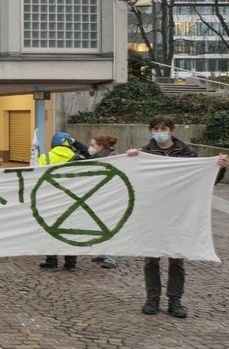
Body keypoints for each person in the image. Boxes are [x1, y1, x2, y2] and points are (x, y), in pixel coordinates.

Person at [125, 115, 229, 318]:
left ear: (172, 130)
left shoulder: (188, 154)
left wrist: (219, 167)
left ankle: (175, 301)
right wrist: (129, 159)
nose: (158, 133)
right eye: (154, 129)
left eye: (162, 129)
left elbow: (203, 181)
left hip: (179, 215)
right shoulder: (145, 153)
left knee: (177, 259)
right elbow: (133, 178)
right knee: (151, 259)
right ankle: (152, 300)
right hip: (153, 213)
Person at [39, 132, 84, 271]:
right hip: (72, 200)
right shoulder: (78, 158)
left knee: (50, 230)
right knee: (71, 231)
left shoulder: (44, 157)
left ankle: (51, 261)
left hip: (50, 200)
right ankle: (71, 263)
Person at [87, 134, 119, 269]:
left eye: (92, 145)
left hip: (109, 197)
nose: (90, 147)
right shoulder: (100, 156)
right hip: (100, 196)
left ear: (101, 147)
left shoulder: (110, 158)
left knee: (109, 226)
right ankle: (102, 253)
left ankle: (111, 258)